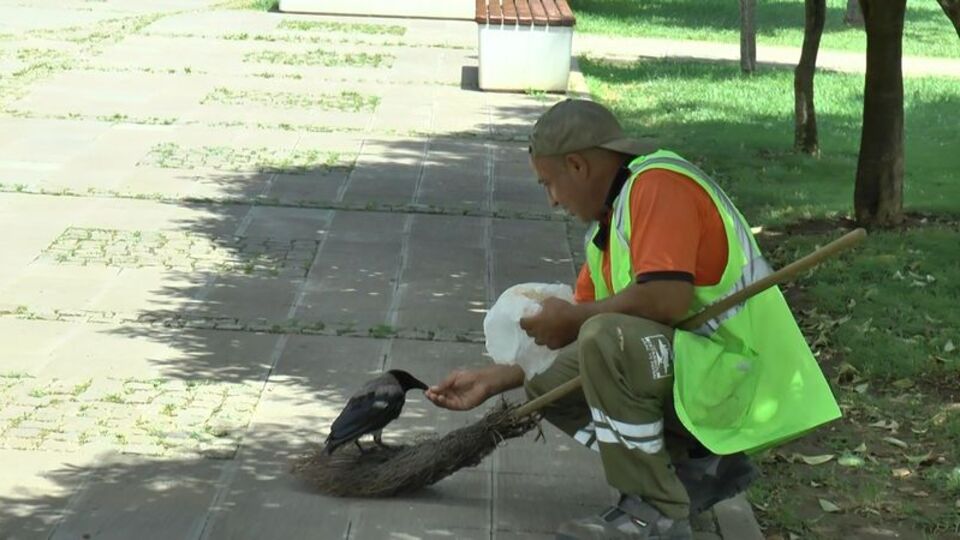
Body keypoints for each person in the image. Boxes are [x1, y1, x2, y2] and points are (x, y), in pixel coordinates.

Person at [425, 99, 840, 540]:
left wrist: (577, 318)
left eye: (549, 184)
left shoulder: (659, 185)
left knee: (605, 338)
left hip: (741, 376)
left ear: (577, 166)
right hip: (699, 371)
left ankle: (655, 511)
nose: (551, 200)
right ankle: (691, 472)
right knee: (546, 378)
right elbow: (570, 337)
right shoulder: (608, 227)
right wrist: (494, 379)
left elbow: (667, 298)